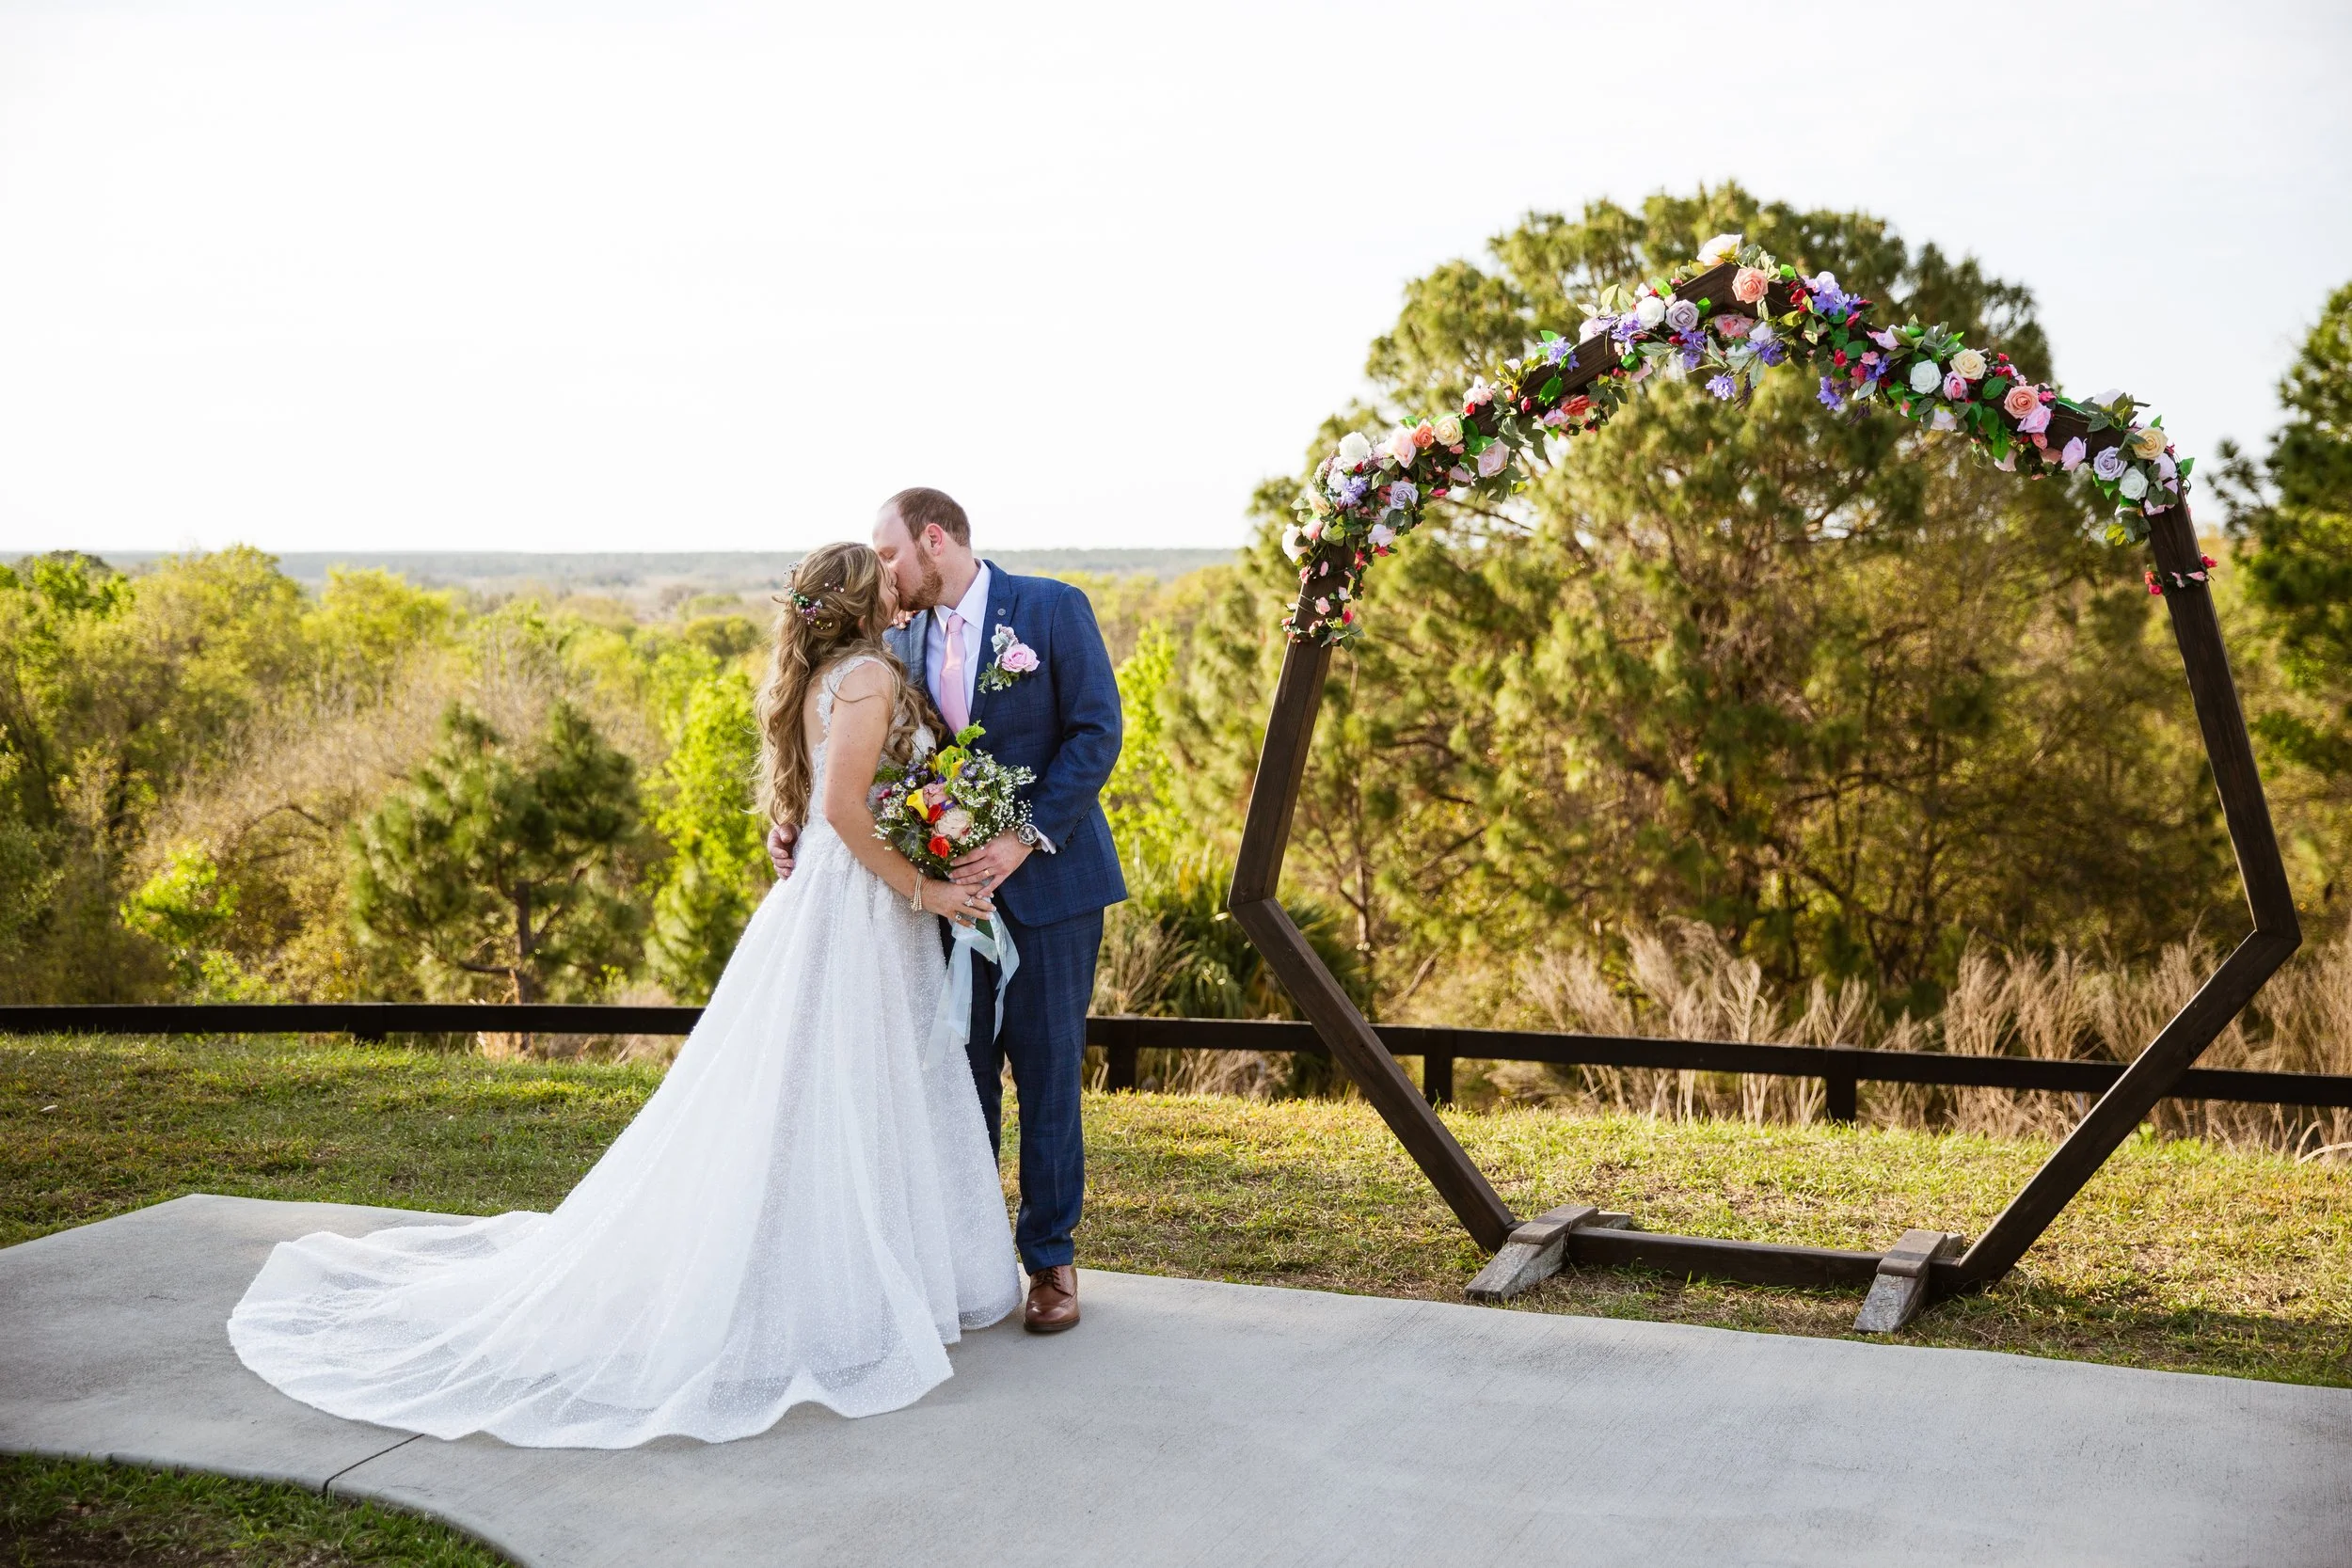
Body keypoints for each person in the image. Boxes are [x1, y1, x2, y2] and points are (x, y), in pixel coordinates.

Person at [227, 543, 1022, 1448]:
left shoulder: (832, 675)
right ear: (858, 597)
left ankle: (863, 1268)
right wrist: (927, 888)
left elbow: (840, 803)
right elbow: (844, 808)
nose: (895, 576)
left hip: (845, 907)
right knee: (838, 1088)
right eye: (880, 571)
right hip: (863, 913)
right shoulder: (871, 673)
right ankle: (821, 1288)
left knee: (833, 1092)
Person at [769, 487, 1124, 1333]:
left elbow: (1096, 732)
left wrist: (1022, 838)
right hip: (933, 907)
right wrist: (801, 823)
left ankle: (1051, 1261)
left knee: (1046, 1077)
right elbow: (853, 764)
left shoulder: (1051, 607)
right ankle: (962, 1261)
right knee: (951, 1086)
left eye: (889, 553)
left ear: (935, 539)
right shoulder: (894, 640)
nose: (882, 571)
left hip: (1050, 887)